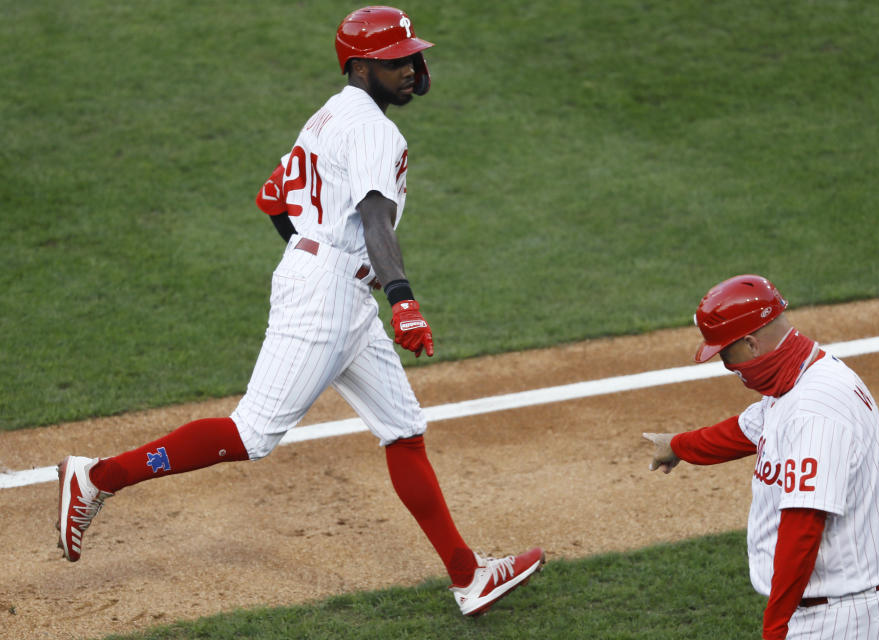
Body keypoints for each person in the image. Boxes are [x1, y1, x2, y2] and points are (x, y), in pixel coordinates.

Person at [56, 6, 543, 617]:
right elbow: (372, 219)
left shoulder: (330, 113)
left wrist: (314, 253)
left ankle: (468, 576)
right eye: (398, 61)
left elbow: (273, 201)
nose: (413, 70)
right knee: (252, 433)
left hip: (331, 281)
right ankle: (98, 477)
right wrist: (402, 299)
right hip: (330, 289)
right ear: (361, 67)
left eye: (414, 57)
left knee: (403, 429)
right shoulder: (372, 129)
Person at [642, 274, 879, 640]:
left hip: (844, 618)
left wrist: (776, 627)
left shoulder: (814, 409)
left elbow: (803, 526)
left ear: (751, 344)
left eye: (725, 352)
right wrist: (678, 445)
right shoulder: (800, 376)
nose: (726, 365)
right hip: (835, 608)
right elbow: (744, 430)